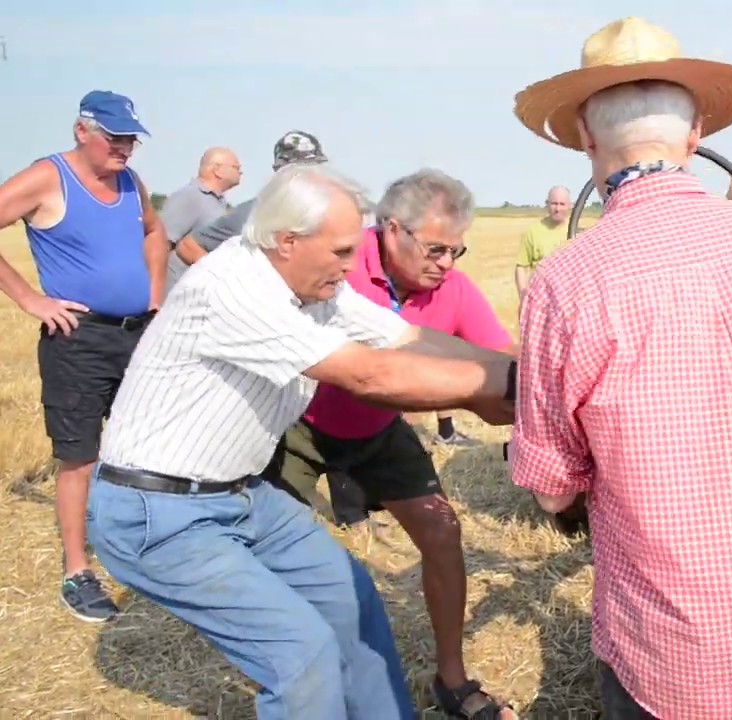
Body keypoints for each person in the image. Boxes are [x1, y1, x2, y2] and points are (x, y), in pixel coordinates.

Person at [508, 16, 732, 719]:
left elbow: (551, 491)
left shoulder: (566, 282)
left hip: (677, 660)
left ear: (585, 135)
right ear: (696, 133)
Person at [85, 163, 517, 719]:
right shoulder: (234, 287)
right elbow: (369, 374)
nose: (350, 263)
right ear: (287, 241)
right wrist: (491, 387)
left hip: (239, 495)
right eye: (340, 251)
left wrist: (527, 374)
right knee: (299, 654)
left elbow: (407, 337)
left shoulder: (315, 286)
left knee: (352, 601)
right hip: (159, 511)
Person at [262, 167, 519, 720]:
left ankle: (450, 679)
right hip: (298, 426)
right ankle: (299, 683)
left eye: (457, 250)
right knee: (276, 555)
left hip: (377, 431)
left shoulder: (453, 288)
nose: (446, 263)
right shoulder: (340, 268)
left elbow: (502, 363)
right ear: (392, 230)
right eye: (435, 248)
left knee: (442, 531)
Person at [0, 90, 166, 622]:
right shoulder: (47, 177)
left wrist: (156, 295)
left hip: (135, 334)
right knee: (80, 457)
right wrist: (30, 299)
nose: (125, 148)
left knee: (141, 449)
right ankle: (78, 571)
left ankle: (141, 550)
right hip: (79, 339)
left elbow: (154, 231)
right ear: (82, 131)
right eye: (115, 137)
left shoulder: (130, 182)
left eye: (130, 139)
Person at [173, 130, 327, 267]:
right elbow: (188, 247)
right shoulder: (256, 211)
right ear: (281, 172)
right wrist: (227, 282)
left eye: (314, 167)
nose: (311, 174)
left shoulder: (327, 210)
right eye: (302, 168)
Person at [162, 147, 241, 293]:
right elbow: (161, 244)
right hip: (174, 295)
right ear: (217, 170)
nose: (241, 172)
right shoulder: (189, 196)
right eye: (236, 167)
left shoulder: (218, 202)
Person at [513, 185, 571, 317]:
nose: (557, 208)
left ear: (569, 206)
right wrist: (523, 294)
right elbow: (521, 266)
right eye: (554, 204)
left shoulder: (577, 232)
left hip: (567, 302)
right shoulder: (533, 232)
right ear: (547, 204)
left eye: (562, 204)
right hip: (540, 302)